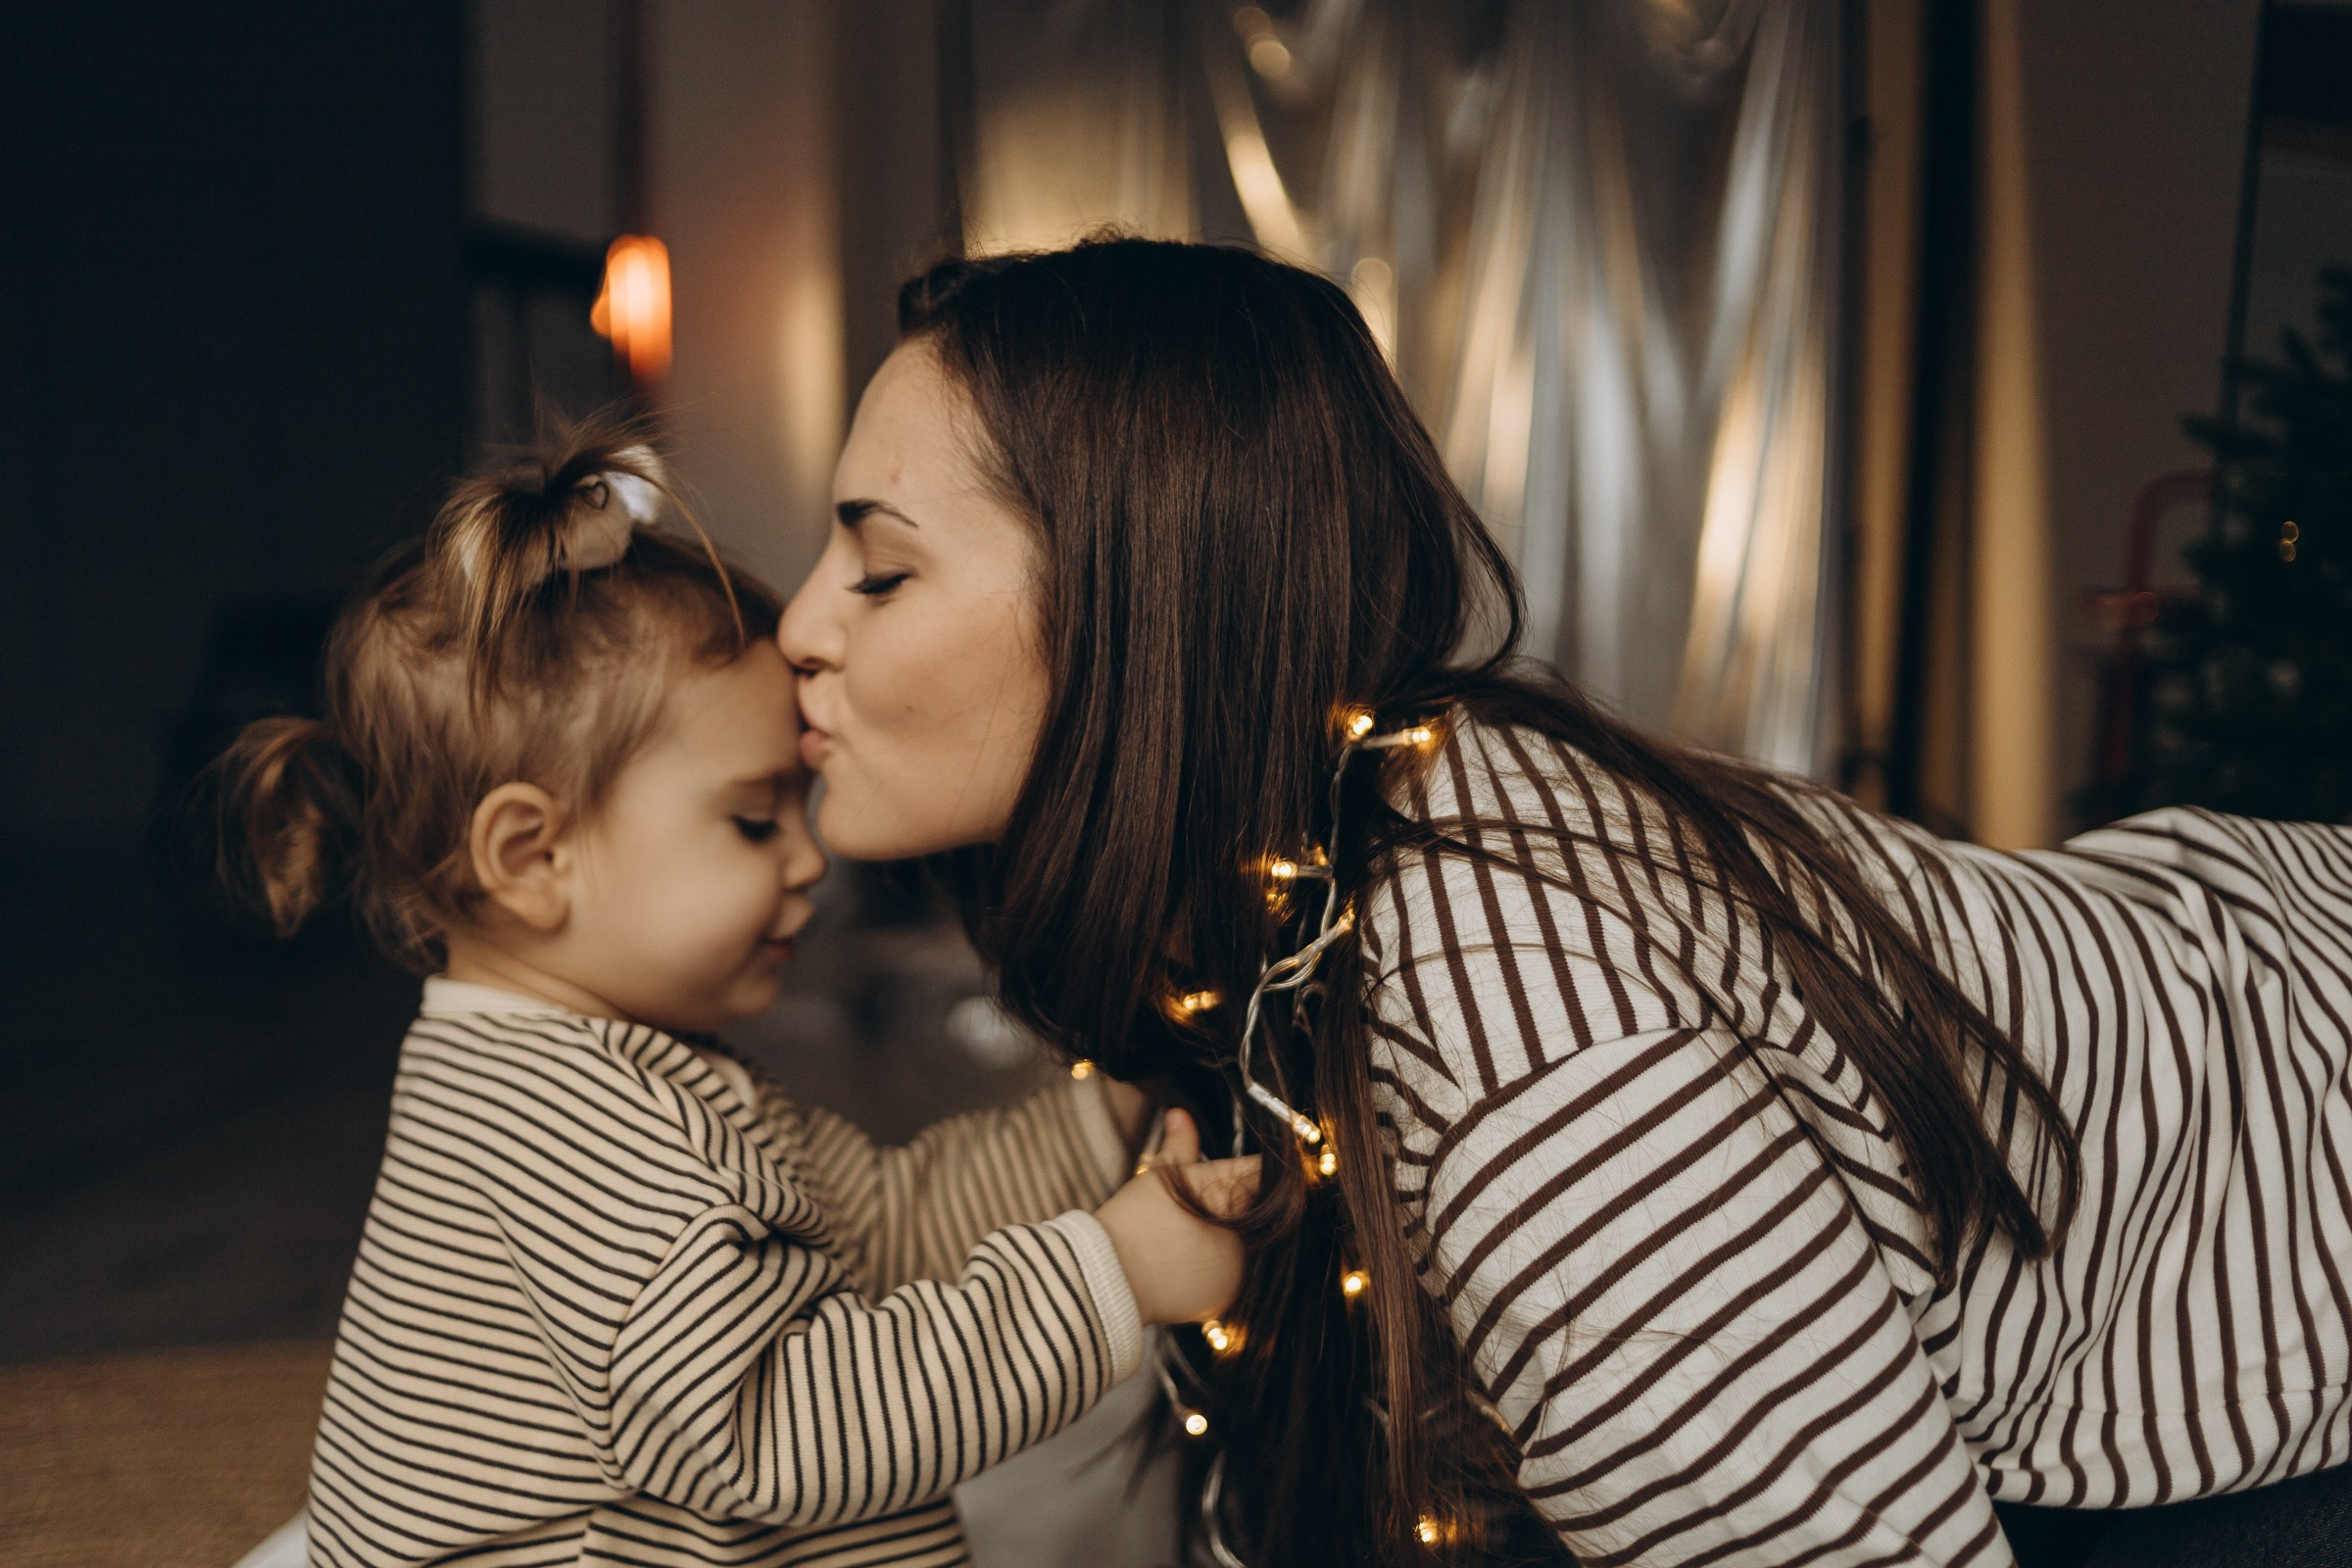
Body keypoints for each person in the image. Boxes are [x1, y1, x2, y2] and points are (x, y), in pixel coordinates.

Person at [776, 236, 2352, 1568]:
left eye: (883, 570)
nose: (795, 626)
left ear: (1144, 597)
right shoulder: (1276, 901)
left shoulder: (1512, 1036)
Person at [209, 424, 1257, 1568]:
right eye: (753, 819)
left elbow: (885, 1220)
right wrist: (1112, 1277)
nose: (807, 859)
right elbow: (780, 1427)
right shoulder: (579, 1133)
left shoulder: (611, 1068)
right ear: (531, 855)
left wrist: (1106, 1113)